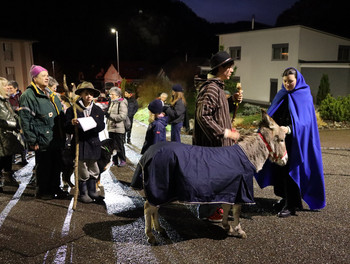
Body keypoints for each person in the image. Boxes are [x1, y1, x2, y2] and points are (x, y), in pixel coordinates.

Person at [255, 67, 326, 217]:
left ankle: (291, 205)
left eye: (291, 81)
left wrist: (288, 129)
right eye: (285, 81)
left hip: (296, 142)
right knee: (279, 171)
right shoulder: (282, 94)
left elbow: (306, 123)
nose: (288, 84)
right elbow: (273, 113)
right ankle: (287, 199)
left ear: (297, 80)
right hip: (279, 141)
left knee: (290, 171)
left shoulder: (303, 95)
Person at [193, 51, 242, 222]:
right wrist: (224, 132)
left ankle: (212, 209)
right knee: (212, 179)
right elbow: (203, 115)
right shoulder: (212, 88)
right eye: (229, 67)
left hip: (217, 146)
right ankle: (207, 212)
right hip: (212, 147)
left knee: (216, 179)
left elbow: (215, 110)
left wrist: (231, 100)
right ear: (220, 68)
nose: (231, 70)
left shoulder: (218, 88)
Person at [19, 65, 67, 200]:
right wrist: (32, 140)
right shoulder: (28, 96)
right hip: (42, 139)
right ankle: (43, 191)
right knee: (44, 167)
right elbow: (25, 120)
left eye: (47, 75)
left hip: (56, 138)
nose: (47, 78)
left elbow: (60, 115)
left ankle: (55, 188)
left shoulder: (50, 94)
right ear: (34, 78)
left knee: (56, 165)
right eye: (43, 76)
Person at [64, 81, 105, 203]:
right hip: (80, 144)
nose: (89, 96)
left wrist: (93, 124)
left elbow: (101, 126)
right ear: (81, 94)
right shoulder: (73, 110)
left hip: (93, 143)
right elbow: (66, 127)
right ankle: (83, 193)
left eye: (91, 94)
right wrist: (73, 124)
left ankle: (92, 191)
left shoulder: (98, 110)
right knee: (82, 170)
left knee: (94, 170)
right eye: (86, 93)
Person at [130, 99, 168, 189]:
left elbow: (156, 141)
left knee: (147, 169)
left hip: (152, 152)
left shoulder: (157, 125)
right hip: (149, 150)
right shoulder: (155, 122)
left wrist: (151, 153)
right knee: (144, 168)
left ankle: (145, 186)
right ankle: (140, 184)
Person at [0, 77, 24, 191]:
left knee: (7, 158)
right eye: (5, 86)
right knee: (1, 159)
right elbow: (2, 120)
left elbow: (11, 114)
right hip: (2, 135)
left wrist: (18, 120)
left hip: (8, 135)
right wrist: (14, 124)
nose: (7, 88)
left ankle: (8, 177)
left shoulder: (5, 100)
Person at [106, 87, 128, 167]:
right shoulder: (112, 102)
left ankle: (123, 160)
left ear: (118, 95)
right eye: (110, 94)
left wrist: (110, 115)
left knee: (119, 145)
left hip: (118, 128)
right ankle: (114, 160)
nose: (110, 96)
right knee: (112, 145)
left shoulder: (121, 102)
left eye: (112, 94)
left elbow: (122, 116)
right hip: (111, 127)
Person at [7, 80, 28, 165]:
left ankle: (24, 158)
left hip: (20, 122)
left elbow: (26, 107)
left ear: (16, 88)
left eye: (11, 88)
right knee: (11, 141)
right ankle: (12, 160)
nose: (9, 90)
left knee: (22, 141)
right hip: (11, 122)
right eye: (8, 88)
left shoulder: (22, 96)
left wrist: (20, 108)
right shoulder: (7, 97)